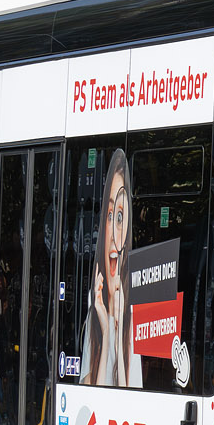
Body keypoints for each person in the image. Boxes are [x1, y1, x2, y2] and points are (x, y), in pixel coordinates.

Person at [80, 150, 142, 388]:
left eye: (120, 217)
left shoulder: (133, 312)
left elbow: (129, 398)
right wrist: (106, 334)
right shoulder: (94, 303)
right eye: (109, 215)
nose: (115, 237)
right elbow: (87, 396)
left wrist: (121, 339)